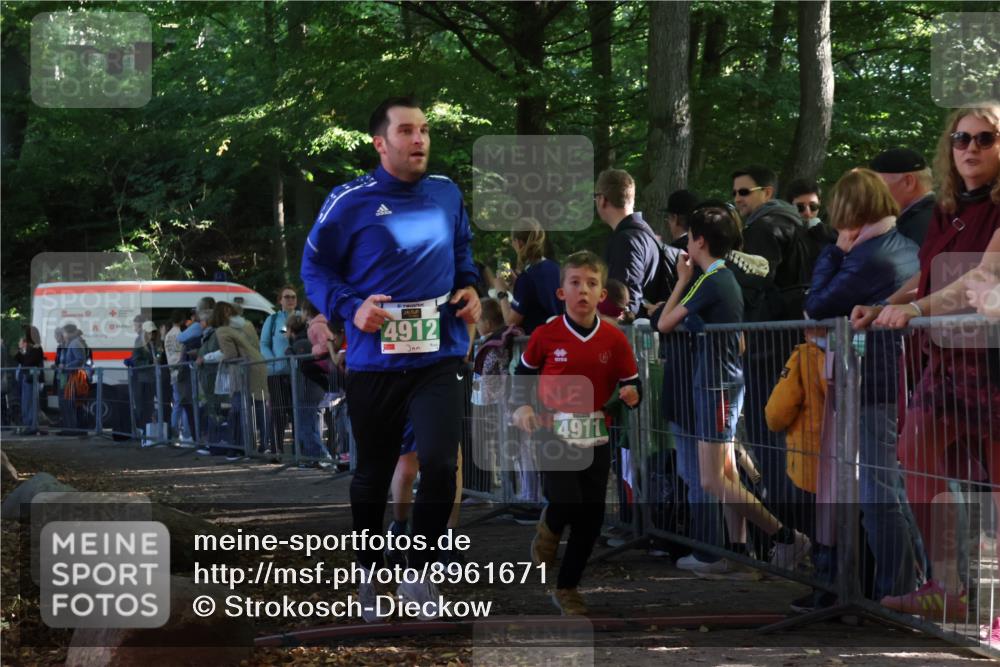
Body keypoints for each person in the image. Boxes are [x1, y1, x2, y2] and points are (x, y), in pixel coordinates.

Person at [301, 95, 480, 621]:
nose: (419, 139)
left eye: (424, 130)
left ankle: (418, 575)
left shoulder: (446, 193)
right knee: (373, 473)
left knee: (442, 463)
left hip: (439, 356)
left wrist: (468, 285)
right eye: (406, 131)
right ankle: (369, 572)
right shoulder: (347, 200)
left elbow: (463, 250)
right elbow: (315, 269)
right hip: (375, 363)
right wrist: (349, 308)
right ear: (381, 143)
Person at [852, 106, 1000, 620]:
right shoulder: (944, 208)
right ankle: (948, 588)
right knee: (916, 454)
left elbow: (982, 277)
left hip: (992, 364)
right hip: (946, 362)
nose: (971, 148)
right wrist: (886, 305)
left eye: (986, 138)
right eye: (962, 138)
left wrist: (913, 309)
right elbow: (933, 276)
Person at [656, 204, 811, 575]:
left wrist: (680, 279)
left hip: (716, 386)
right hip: (723, 382)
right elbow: (738, 342)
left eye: (689, 238)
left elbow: (663, 323)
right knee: (727, 472)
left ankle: (787, 537)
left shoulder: (711, 280)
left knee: (711, 479)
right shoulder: (725, 279)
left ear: (699, 241)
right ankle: (736, 551)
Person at [803, 168, 922, 606]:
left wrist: (835, 251)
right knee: (892, 489)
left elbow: (817, 303)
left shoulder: (867, 254)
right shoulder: (903, 246)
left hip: (875, 382)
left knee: (878, 493)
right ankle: (914, 588)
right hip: (895, 381)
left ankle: (899, 592)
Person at [512, 250, 641, 615]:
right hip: (552, 431)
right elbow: (522, 374)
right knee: (566, 500)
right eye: (575, 283)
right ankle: (549, 531)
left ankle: (567, 588)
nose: (582, 290)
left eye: (591, 284)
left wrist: (633, 394)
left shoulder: (614, 340)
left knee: (591, 519)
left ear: (602, 295)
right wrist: (521, 406)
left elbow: (632, 383)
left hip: (596, 432)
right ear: (561, 293)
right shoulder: (546, 334)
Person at [597, 169, 675, 314]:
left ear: (602, 200)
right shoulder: (644, 234)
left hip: (631, 333)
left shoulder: (627, 241)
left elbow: (624, 301)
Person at [205, 301, 269, 460]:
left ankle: (240, 448)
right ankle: (264, 446)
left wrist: (210, 357)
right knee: (259, 407)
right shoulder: (247, 324)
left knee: (238, 409)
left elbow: (230, 355)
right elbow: (254, 346)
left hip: (241, 371)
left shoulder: (222, 330)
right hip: (257, 365)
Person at [495, 218, 562, 334]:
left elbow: (511, 322)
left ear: (518, 243)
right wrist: (515, 284)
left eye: (512, 241)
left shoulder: (527, 278)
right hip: (559, 336)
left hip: (537, 342)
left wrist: (501, 293)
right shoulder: (555, 268)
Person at [261, 285, 299, 455]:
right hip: (277, 372)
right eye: (287, 297)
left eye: (293, 297)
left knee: (298, 411)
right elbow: (264, 343)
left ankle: (300, 451)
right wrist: (273, 361)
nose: (291, 300)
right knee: (278, 411)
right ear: (280, 300)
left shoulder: (302, 318)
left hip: (299, 373)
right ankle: (277, 449)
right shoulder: (273, 319)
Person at [871, 147, 935, 246]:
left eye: (878, 185)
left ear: (908, 182)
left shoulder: (920, 226)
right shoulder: (938, 215)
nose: (872, 193)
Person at [164, 309, 194, 444]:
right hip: (182, 371)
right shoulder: (181, 334)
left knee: (177, 405)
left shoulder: (167, 335)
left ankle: (173, 431)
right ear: (182, 320)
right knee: (187, 403)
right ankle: (188, 434)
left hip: (172, 371)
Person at [14, 325, 44, 435]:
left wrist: (23, 356)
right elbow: (24, 362)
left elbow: (28, 363)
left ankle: (31, 425)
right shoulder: (32, 348)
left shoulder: (36, 348)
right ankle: (28, 424)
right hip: (27, 378)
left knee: (30, 403)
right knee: (26, 402)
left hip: (31, 379)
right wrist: (19, 354)